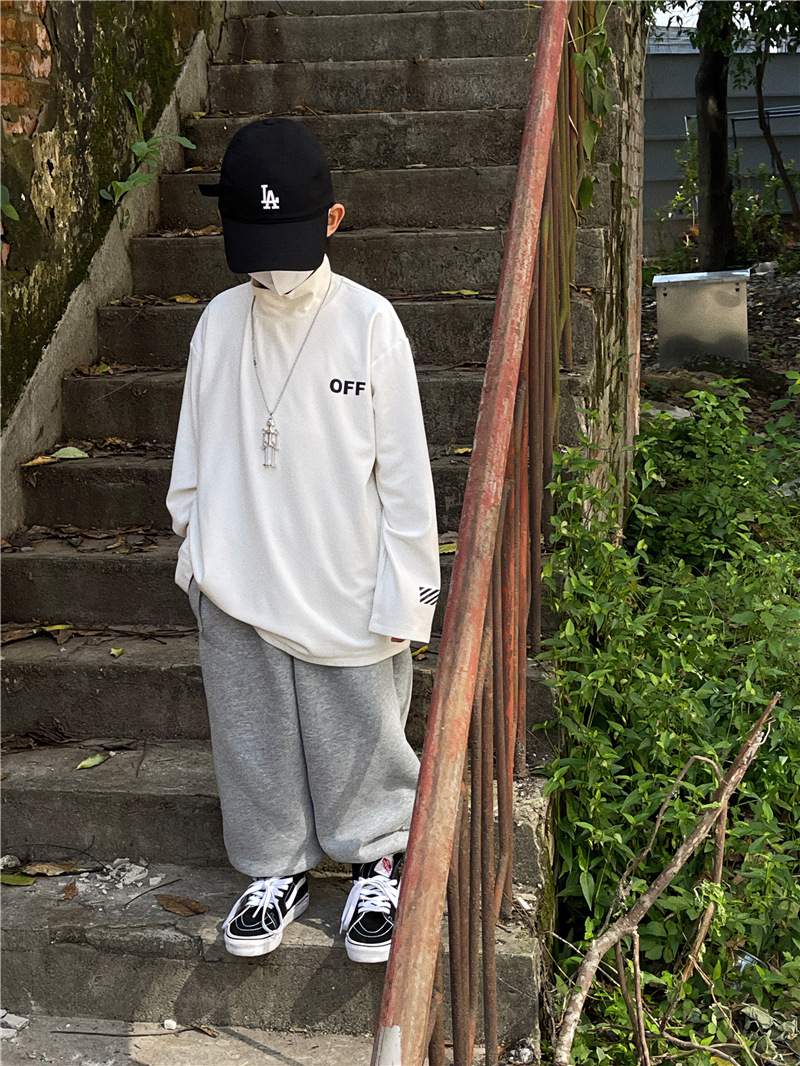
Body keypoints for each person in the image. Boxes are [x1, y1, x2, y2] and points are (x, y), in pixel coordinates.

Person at [166, 118, 440, 964]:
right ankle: (274, 867)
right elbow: (191, 454)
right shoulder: (219, 323)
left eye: (286, 241)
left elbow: (407, 479)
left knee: (359, 730)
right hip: (237, 571)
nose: (270, 266)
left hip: (345, 575)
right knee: (253, 738)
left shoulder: (369, 322)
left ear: (332, 220)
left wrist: (412, 595)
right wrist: (195, 553)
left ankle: (377, 859)